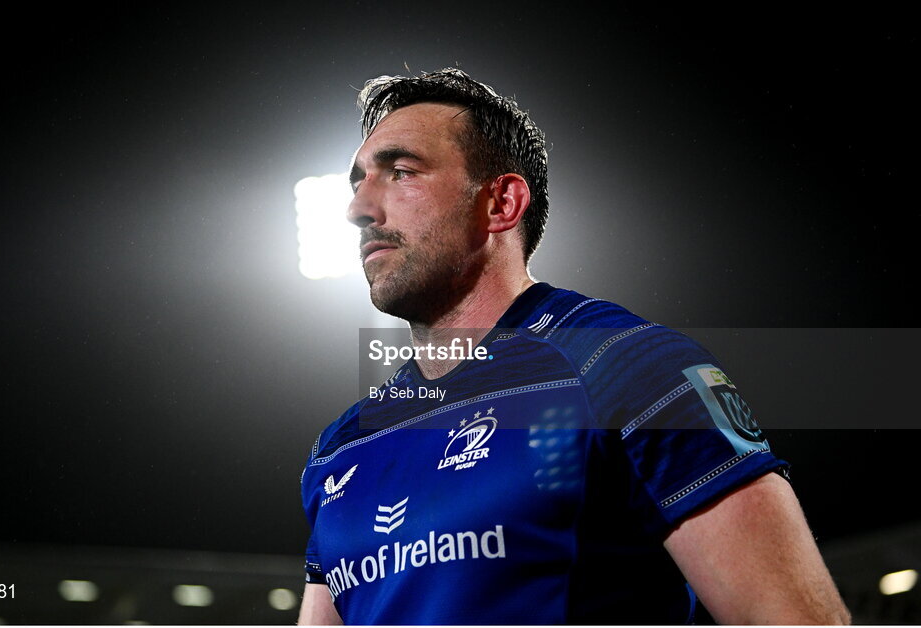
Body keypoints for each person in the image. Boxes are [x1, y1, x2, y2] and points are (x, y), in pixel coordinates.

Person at [298, 68, 850, 625]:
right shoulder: (343, 444)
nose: (358, 209)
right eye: (358, 182)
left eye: (400, 171)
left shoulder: (628, 369)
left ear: (501, 204)